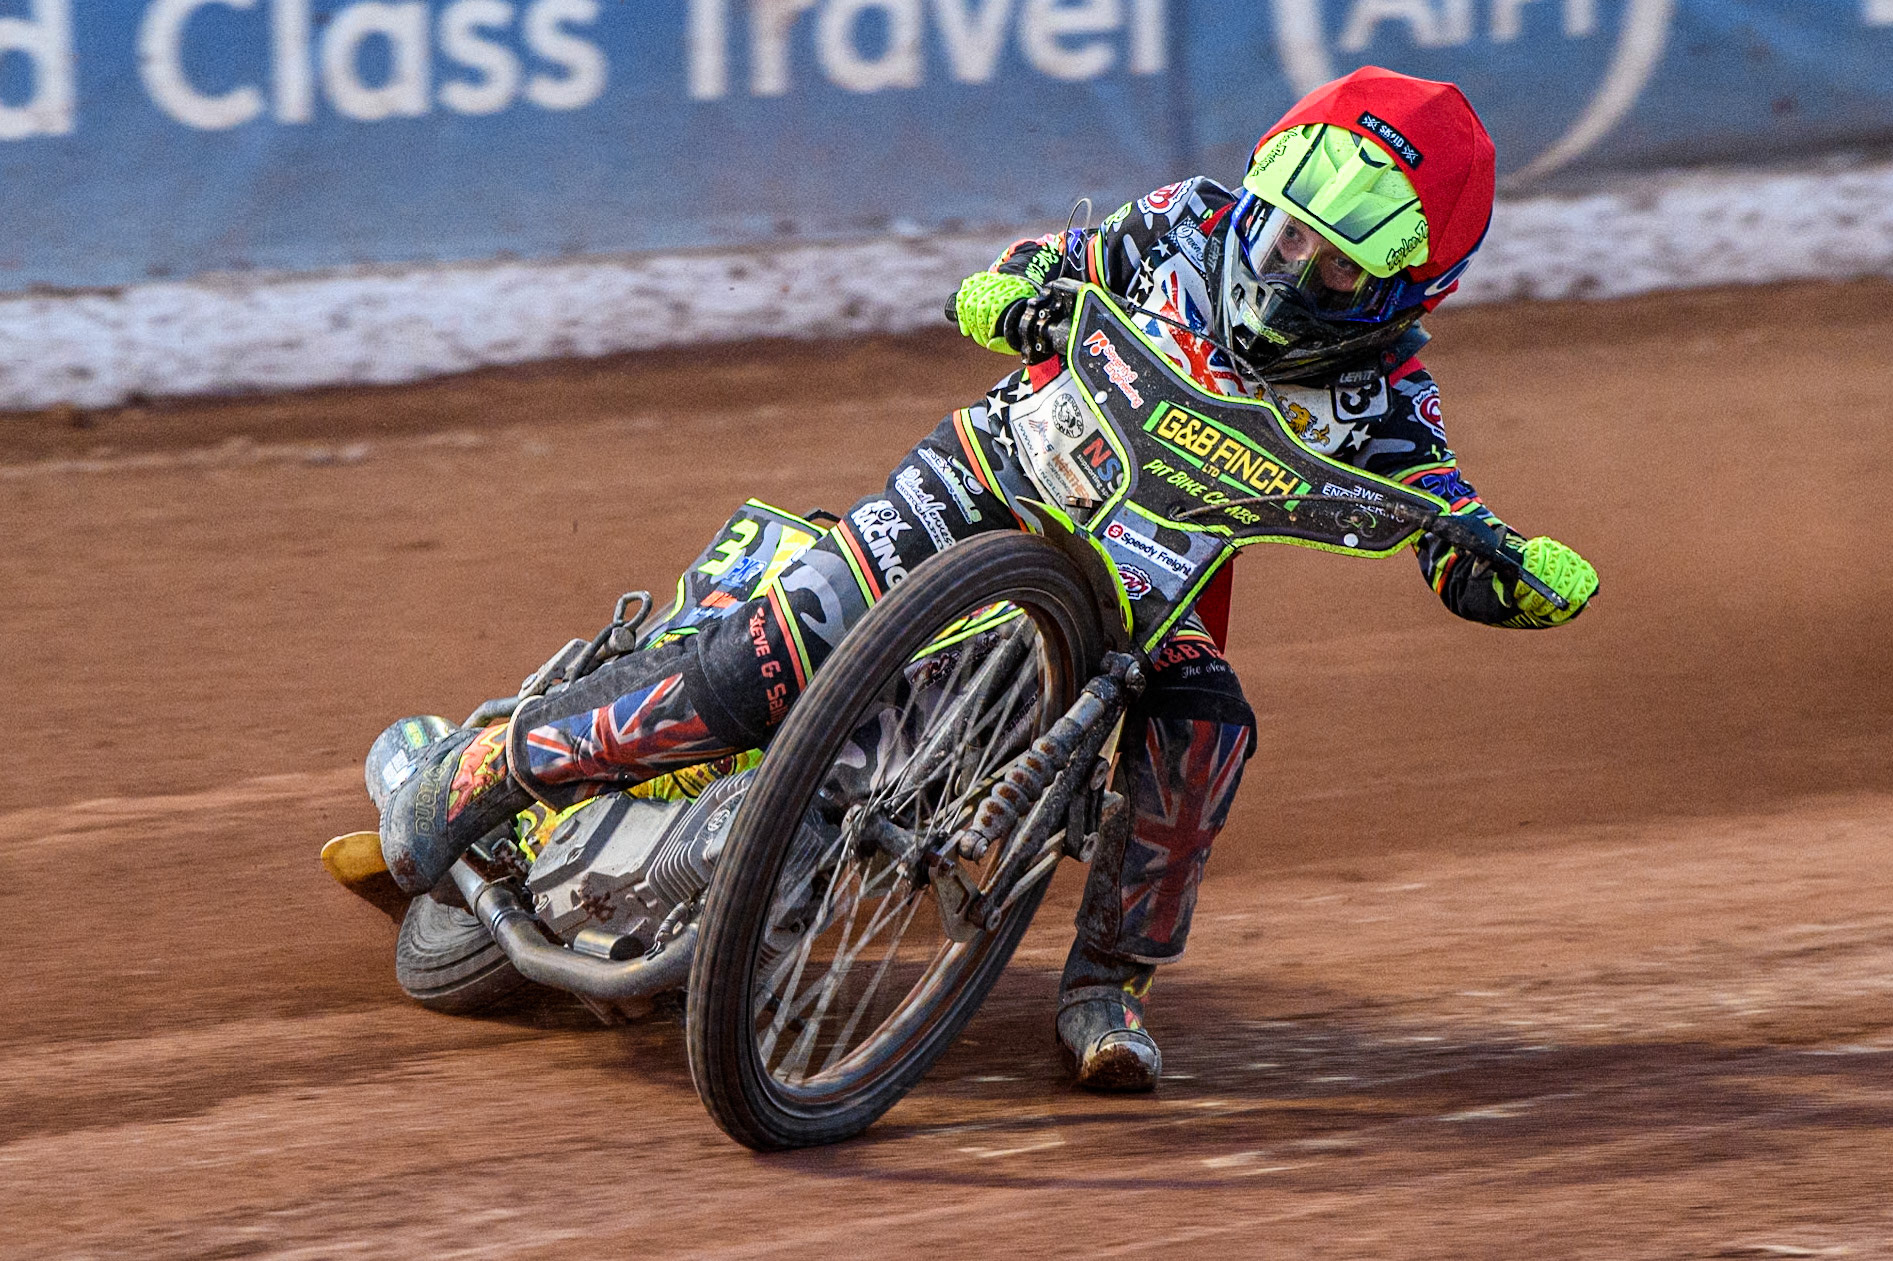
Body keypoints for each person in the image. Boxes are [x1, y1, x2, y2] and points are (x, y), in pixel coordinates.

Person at [377, 66, 1598, 1091]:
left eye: (1332, 270)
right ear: (1261, 187)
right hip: (986, 480)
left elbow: (1448, 531)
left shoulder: (1389, 404)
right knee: (758, 666)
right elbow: (1050, 256)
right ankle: (495, 765)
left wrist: (1514, 574)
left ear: (1409, 288)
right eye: (1284, 233)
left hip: (1145, 595)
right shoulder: (1187, 219)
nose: (1285, 274)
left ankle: (1107, 987)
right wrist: (1009, 291)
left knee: (1209, 726)